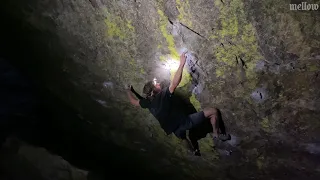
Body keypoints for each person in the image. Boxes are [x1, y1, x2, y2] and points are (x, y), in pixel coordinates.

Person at [126, 52, 230, 154]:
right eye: (156, 84)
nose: (158, 83)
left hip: (173, 128)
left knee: (182, 137)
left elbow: (133, 101)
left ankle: (192, 151)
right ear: (154, 91)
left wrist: (129, 91)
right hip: (184, 122)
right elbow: (175, 82)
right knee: (213, 111)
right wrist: (181, 64)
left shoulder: (147, 103)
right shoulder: (163, 95)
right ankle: (217, 134)